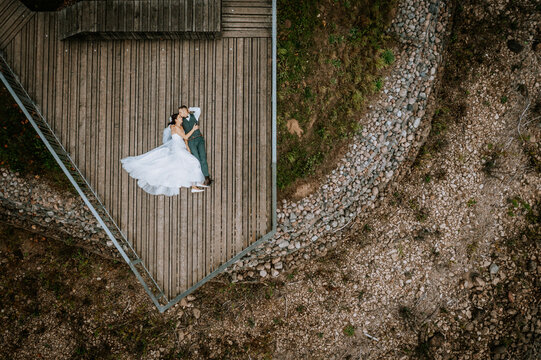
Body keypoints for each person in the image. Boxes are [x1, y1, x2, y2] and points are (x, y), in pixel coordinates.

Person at [120, 117, 206, 195]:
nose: (181, 119)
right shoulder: (174, 127)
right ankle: (195, 184)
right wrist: (194, 129)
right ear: (175, 119)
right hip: (178, 150)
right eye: (180, 117)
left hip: (182, 149)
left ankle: (195, 185)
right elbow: (186, 136)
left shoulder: (181, 127)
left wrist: (189, 150)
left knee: (187, 165)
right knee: (194, 162)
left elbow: (185, 140)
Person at [168, 105, 213, 187]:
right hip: (191, 141)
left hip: (199, 139)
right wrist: (187, 145)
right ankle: (200, 179)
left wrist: (190, 109)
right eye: (180, 113)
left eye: (183, 111)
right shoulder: (180, 122)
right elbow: (183, 134)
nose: (181, 114)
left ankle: (207, 178)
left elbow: (198, 109)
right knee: (197, 159)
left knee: (203, 158)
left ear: (187, 111)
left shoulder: (194, 116)